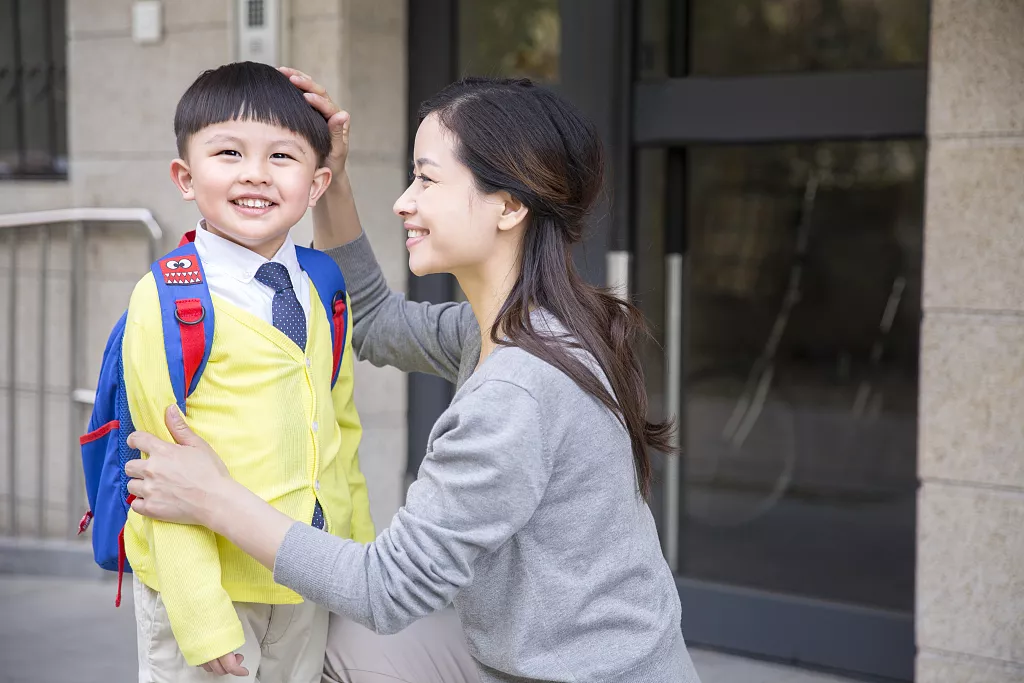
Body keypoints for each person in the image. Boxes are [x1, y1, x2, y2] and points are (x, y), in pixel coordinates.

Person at [126, 70, 703, 683]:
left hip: (578, 673)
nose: (404, 201)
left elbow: (386, 589)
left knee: (329, 630)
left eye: (426, 178)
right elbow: (371, 320)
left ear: (509, 205)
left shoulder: (518, 389)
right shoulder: (523, 326)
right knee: (323, 639)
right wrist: (335, 177)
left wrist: (212, 497)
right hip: (536, 650)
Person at [121, 61, 375, 682]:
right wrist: (200, 614)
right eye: (229, 152)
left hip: (307, 577)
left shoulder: (321, 284)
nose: (255, 174)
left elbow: (341, 433)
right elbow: (162, 470)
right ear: (186, 176)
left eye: (282, 157)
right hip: (210, 592)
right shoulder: (168, 299)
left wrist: (357, 568)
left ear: (317, 185)